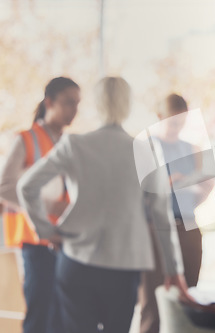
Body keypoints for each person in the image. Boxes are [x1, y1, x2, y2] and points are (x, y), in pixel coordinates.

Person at [17, 77, 190, 333]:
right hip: (124, 265)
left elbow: (26, 186)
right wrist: (173, 269)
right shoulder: (145, 150)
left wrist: (45, 231)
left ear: (96, 105)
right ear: (128, 106)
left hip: (76, 260)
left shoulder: (74, 145)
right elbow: (161, 214)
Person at [0, 77, 80, 333]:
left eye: (77, 104)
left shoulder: (69, 144)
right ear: (50, 102)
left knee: (61, 317)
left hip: (65, 241)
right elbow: (5, 187)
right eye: (69, 103)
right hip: (35, 241)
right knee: (40, 314)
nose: (74, 110)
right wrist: (49, 206)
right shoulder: (25, 139)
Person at [137, 93, 213, 333]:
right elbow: (139, 194)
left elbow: (205, 189)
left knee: (187, 299)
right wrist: (167, 184)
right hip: (154, 231)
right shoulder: (145, 149)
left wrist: (189, 186)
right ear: (159, 117)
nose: (176, 129)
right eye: (172, 122)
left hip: (188, 227)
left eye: (180, 123)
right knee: (152, 303)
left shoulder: (192, 149)